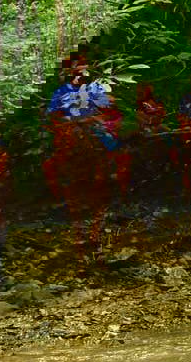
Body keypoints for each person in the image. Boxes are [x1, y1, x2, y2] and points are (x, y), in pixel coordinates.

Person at [42, 52, 127, 265]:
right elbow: (52, 116)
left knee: (113, 145)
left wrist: (98, 114)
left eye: (83, 66)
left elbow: (109, 108)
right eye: (77, 66)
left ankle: (115, 181)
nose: (80, 70)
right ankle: (59, 197)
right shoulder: (61, 91)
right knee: (50, 161)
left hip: (92, 128)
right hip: (69, 131)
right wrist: (66, 123)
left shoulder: (94, 88)